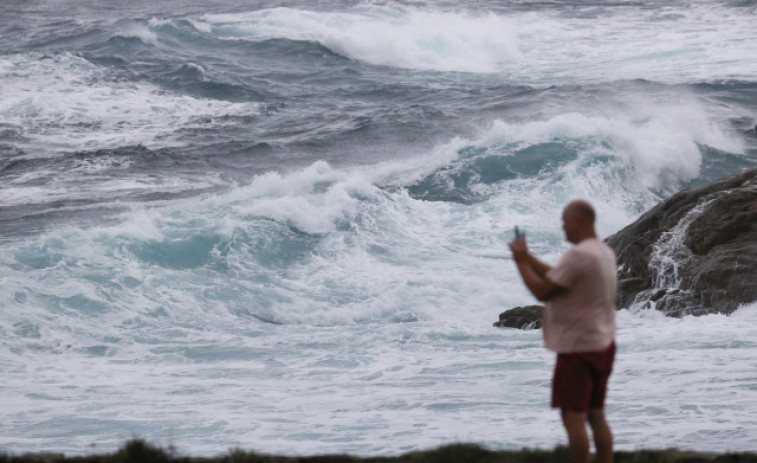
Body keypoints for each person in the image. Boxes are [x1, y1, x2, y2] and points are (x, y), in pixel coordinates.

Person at [508, 199, 617, 463]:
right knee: (595, 413)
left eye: (564, 222)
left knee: (573, 417)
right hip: (603, 342)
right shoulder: (602, 252)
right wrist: (530, 257)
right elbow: (559, 275)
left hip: (578, 348)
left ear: (578, 221)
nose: (563, 228)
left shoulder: (578, 255)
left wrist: (521, 262)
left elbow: (542, 291)